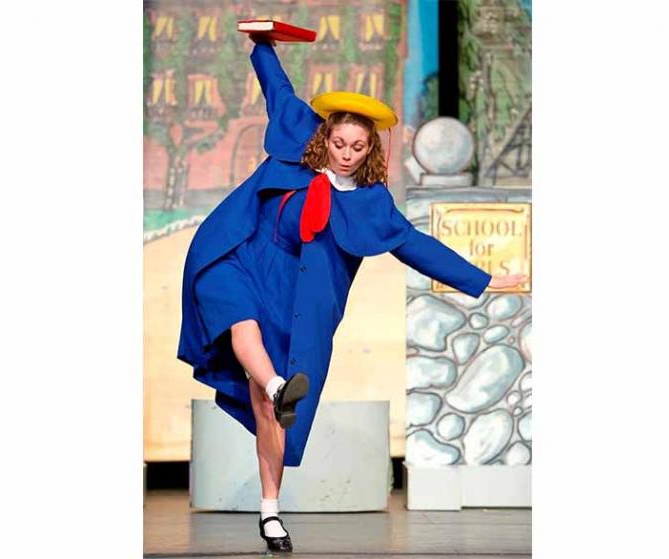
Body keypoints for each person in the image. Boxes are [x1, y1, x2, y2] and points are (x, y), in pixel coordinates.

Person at [177, 37, 527, 553]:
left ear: (370, 150)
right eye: (338, 143)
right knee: (238, 319)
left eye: (357, 147)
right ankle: (277, 385)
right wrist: (261, 44)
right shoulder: (298, 138)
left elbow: (417, 246)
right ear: (326, 136)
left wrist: (483, 279)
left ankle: (270, 507)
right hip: (243, 258)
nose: (345, 154)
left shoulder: (370, 203)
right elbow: (278, 89)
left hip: (297, 301)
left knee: (266, 409)